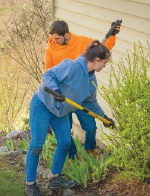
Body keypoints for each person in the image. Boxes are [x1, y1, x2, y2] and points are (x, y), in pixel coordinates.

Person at [25, 40, 115, 196]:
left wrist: (104, 118)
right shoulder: (72, 66)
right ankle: (30, 184)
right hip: (43, 105)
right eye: (105, 63)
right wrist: (55, 90)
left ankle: (55, 177)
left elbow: (91, 102)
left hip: (60, 112)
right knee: (37, 145)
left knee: (65, 142)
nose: (104, 66)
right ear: (97, 60)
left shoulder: (91, 80)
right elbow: (48, 74)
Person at [45, 20, 121, 159]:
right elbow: (49, 72)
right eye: (53, 39)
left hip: (82, 94)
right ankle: (72, 156)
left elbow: (102, 51)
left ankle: (90, 148)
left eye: (57, 38)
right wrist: (55, 93)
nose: (54, 41)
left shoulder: (82, 42)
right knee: (65, 131)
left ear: (66, 34)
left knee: (91, 126)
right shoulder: (51, 49)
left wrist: (113, 34)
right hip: (64, 96)